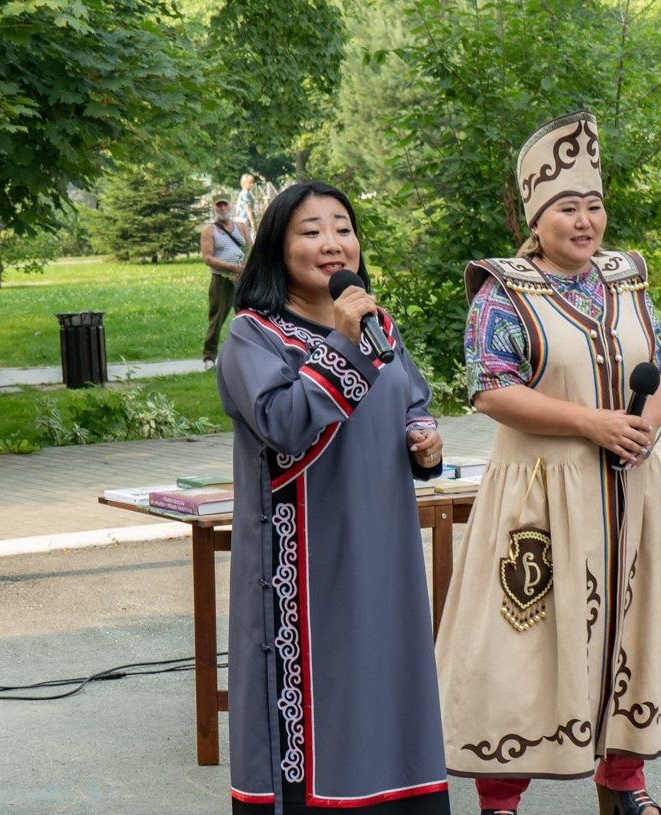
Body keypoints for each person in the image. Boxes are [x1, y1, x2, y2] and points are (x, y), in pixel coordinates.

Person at [434, 111, 661, 815]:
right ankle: (500, 798)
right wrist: (594, 423)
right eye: (567, 208)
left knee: (631, 630)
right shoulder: (503, 291)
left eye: (593, 206)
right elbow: (491, 390)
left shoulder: (625, 279)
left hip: (626, 492)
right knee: (517, 644)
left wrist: (646, 421)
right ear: (535, 215)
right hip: (540, 496)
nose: (585, 222)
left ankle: (624, 783)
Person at [215, 180, 451, 815]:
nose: (331, 243)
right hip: (308, 567)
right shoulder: (253, 336)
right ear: (277, 247)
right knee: (330, 704)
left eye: (342, 227)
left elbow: (411, 397)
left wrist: (420, 436)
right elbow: (284, 424)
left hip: (387, 550)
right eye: (310, 230)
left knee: (393, 691)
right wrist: (344, 344)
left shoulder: (379, 325)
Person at [201, 193, 252, 369]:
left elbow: (250, 249)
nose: (222, 208)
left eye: (225, 205)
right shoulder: (210, 229)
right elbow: (208, 258)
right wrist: (232, 267)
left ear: (231, 206)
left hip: (242, 279)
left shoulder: (241, 226)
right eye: (218, 206)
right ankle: (209, 357)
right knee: (217, 317)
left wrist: (246, 267)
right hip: (221, 279)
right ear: (214, 208)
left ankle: (250, 354)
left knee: (248, 317)